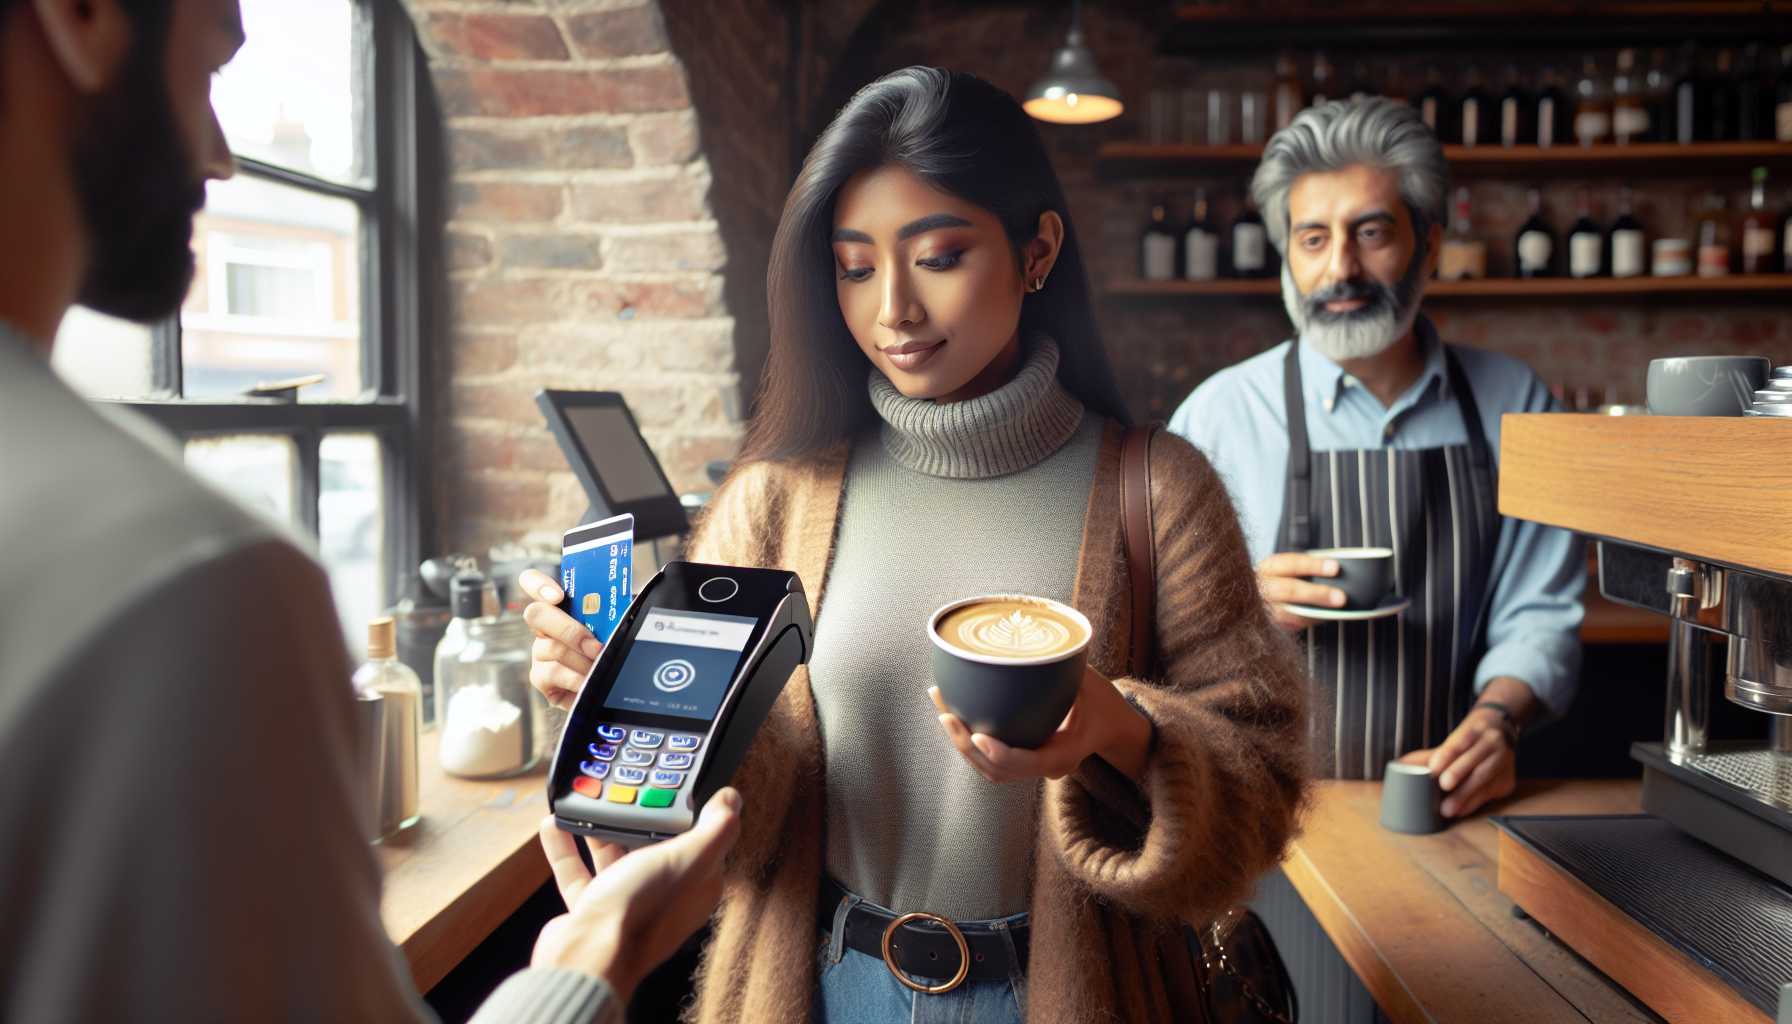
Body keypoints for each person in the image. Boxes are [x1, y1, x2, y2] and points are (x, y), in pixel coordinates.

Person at [519, 66, 1311, 1024]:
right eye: (855, 266)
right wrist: (640, 700)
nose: (891, 307)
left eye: (937, 255)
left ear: (1037, 251)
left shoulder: (1161, 489)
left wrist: (1121, 729)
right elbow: (748, 829)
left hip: (1070, 990)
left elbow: (1263, 798)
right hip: (817, 987)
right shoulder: (774, 498)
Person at [0, 1, 736, 1020]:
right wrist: (595, 953)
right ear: (81, 18)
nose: (218, 154)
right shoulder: (193, 574)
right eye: (212, 69)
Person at [1168, 97, 1586, 1022]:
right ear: (1285, 258)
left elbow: (1539, 611)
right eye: (1311, 239)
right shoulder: (1217, 420)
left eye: (1371, 234)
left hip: (1449, 821)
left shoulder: (1516, 403)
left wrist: (1499, 725)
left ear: (1430, 244)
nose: (1341, 268)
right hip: (1260, 832)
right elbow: (1146, 644)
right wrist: (1232, 609)